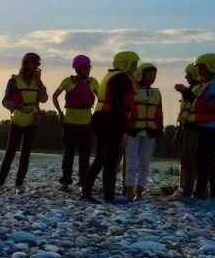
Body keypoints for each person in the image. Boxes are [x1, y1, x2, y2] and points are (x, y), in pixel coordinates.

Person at [82, 51, 138, 203]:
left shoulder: (111, 76)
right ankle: (109, 196)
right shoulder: (123, 79)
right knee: (111, 161)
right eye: (134, 65)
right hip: (111, 121)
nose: (135, 69)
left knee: (100, 158)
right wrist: (124, 130)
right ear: (125, 64)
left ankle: (86, 192)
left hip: (101, 119)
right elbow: (120, 107)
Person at [0, 52, 47, 194]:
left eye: (36, 63)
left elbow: (44, 98)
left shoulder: (37, 82)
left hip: (33, 120)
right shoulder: (14, 80)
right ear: (25, 63)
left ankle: (19, 185)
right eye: (32, 62)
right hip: (18, 119)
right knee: (10, 152)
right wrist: (16, 105)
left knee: (25, 154)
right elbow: (5, 101)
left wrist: (40, 81)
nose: (34, 66)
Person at [52, 55, 98, 192]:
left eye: (89, 67)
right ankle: (65, 181)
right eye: (85, 67)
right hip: (69, 122)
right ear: (77, 68)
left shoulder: (93, 82)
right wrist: (60, 112)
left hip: (86, 123)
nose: (88, 70)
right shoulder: (67, 81)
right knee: (68, 154)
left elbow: (101, 99)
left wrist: (96, 117)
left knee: (84, 154)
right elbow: (55, 96)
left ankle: (83, 181)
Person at [190, 52, 215, 209]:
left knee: (209, 161)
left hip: (213, 129)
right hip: (204, 128)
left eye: (201, 68)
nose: (199, 72)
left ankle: (213, 197)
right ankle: (198, 195)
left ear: (212, 67)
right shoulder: (210, 83)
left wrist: (204, 103)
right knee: (200, 161)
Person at [123, 62, 163, 200]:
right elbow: (126, 111)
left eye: (154, 75)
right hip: (133, 131)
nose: (152, 77)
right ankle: (129, 193)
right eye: (149, 74)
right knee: (131, 163)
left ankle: (139, 193)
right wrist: (124, 131)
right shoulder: (132, 91)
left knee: (145, 163)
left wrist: (160, 133)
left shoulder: (156, 93)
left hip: (151, 132)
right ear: (141, 75)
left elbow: (159, 113)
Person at [172, 63, 203, 200]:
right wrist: (178, 132)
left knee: (195, 161)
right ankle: (185, 189)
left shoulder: (201, 89)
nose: (186, 77)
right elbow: (184, 113)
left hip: (196, 129)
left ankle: (200, 191)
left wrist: (185, 91)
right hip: (186, 129)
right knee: (185, 161)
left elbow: (198, 105)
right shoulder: (192, 89)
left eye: (188, 74)